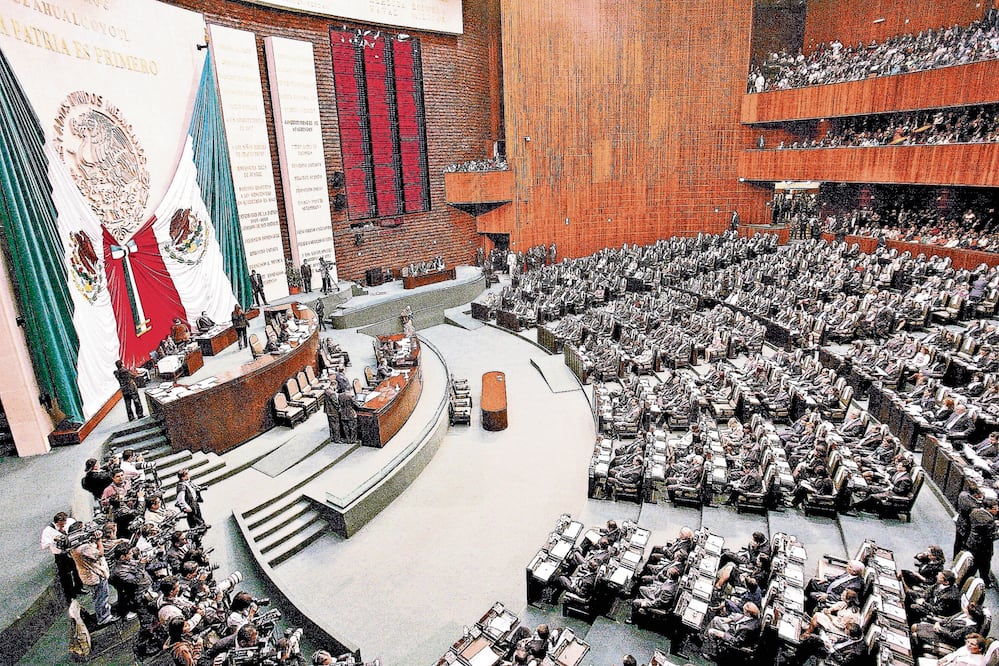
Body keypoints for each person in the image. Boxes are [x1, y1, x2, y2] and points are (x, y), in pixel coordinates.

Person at [70, 527, 116, 626]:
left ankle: (103, 614)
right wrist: (99, 540)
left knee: (98, 597)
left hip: (87, 576)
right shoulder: (84, 549)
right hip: (95, 576)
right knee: (101, 597)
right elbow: (100, 554)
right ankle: (104, 618)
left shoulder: (73, 548)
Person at [40, 511, 83, 602]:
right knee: (65, 576)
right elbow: (43, 545)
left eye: (64, 524)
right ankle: (70, 595)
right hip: (60, 556)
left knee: (77, 570)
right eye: (61, 525)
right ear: (56, 523)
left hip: (71, 551)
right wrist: (53, 540)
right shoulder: (48, 531)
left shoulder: (70, 522)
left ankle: (79, 588)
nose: (62, 527)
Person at [966, 499, 998, 586]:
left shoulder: (975, 512)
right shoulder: (989, 521)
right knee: (984, 565)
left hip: (972, 542)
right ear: (988, 509)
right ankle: (985, 582)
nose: (997, 509)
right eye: (995, 508)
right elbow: (992, 536)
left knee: (972, 564)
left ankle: (966, 579)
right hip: (983, 547)